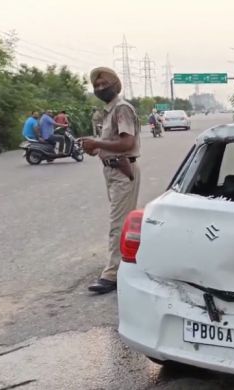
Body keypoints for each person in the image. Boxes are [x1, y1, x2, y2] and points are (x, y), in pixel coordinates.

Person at [79, 67, 141, 294]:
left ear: (116, 85)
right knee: (121, 221)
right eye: (96, 86)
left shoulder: (122, 109)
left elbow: (126, 143)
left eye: (104, 84)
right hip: (111, 170)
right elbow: (107, 144)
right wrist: (93, 147)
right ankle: (129, 261)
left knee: (118, 223)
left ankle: (113, 274)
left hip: (122, 169)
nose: (100, 88)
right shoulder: (107, 112)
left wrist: (97, 143)